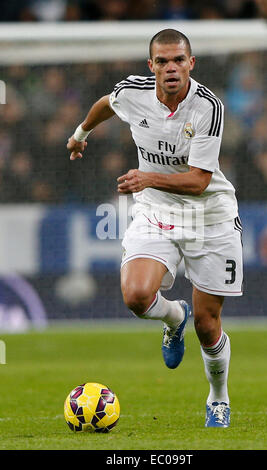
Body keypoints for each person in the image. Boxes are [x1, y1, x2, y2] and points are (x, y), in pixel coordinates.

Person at [67, 29, 243, 428]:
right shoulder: (133, 92)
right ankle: (172, 319)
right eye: (162, 61)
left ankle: (218, 397)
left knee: (208, 324)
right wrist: (81, 134)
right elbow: (105, 104)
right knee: (136, 295)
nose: (171, 68)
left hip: (209, 215)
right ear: (152, 66)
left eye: (178, 60)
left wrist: (147, 178)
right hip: (157, 210)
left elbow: (199, 180)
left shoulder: (207, 107)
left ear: (191, 63)